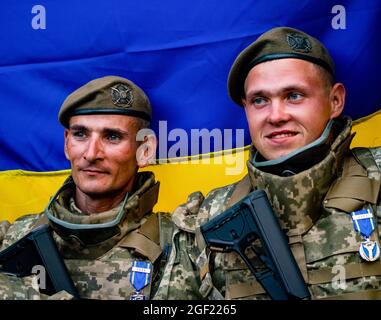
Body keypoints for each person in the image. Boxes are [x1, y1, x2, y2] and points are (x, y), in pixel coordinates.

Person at [156, 27, 381, 300]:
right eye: (259, 100)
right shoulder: (207, 219)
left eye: (294, 96)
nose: (276, 116)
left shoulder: (376, 177)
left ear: (335, 101)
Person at [0, 76, 174, 300]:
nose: (91, 154)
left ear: (145, 150)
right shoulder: (12, 240)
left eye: (112, 136)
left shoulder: (181, 248)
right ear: (66, 143)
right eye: (80, 134)